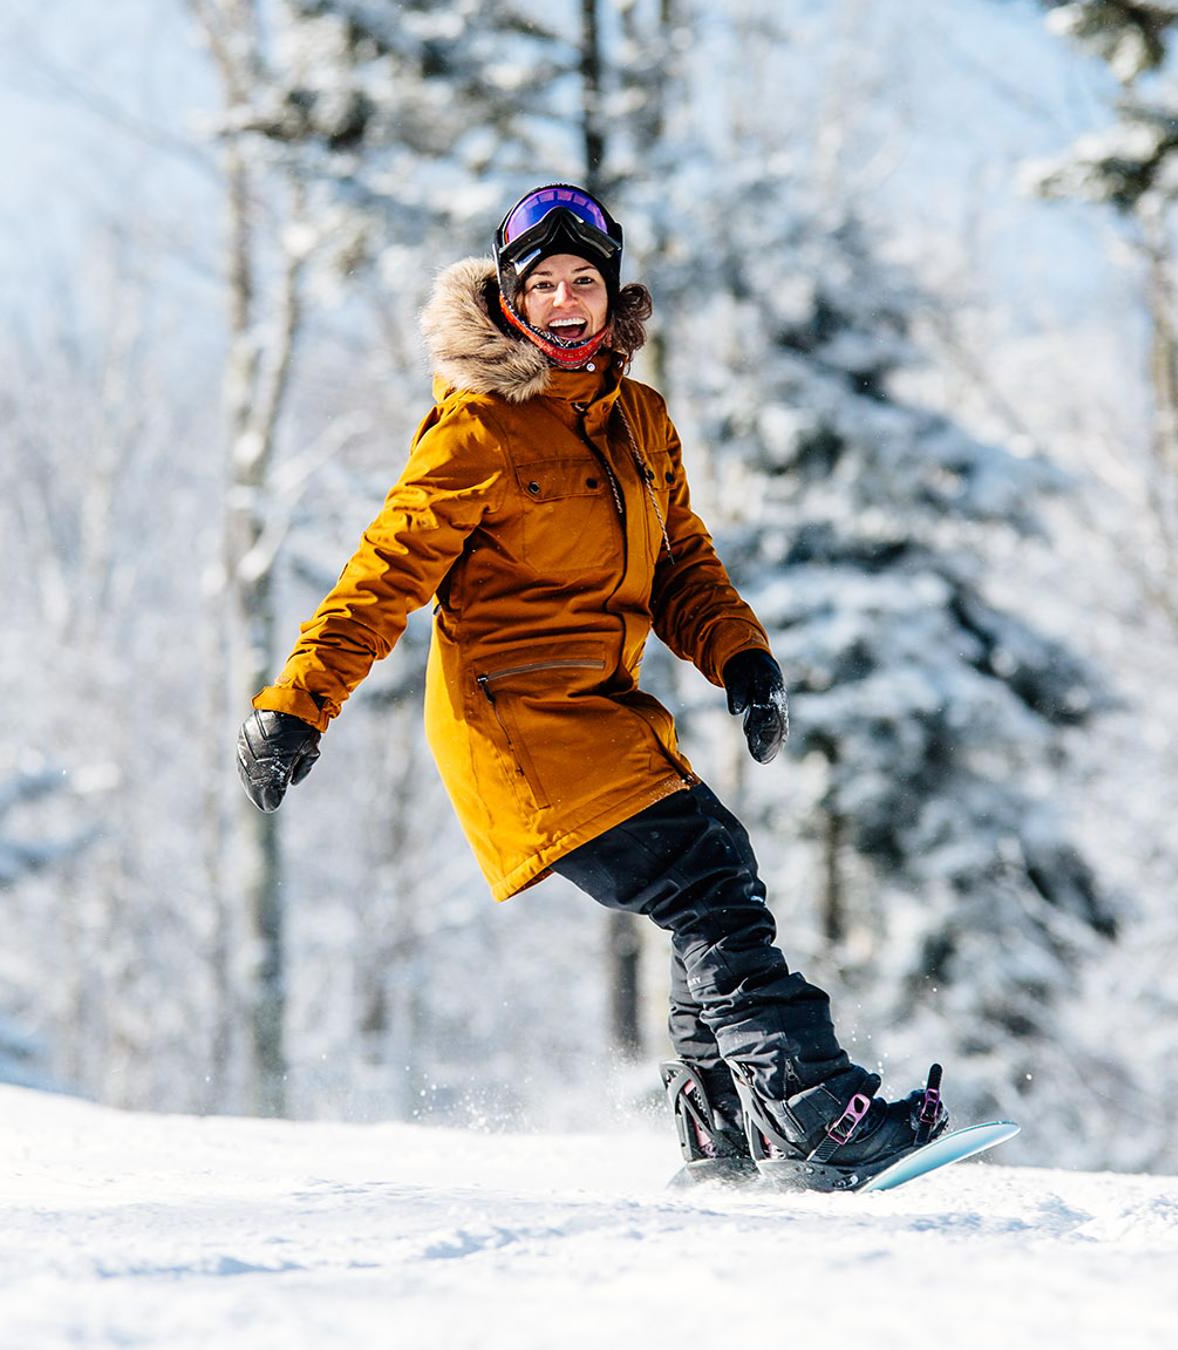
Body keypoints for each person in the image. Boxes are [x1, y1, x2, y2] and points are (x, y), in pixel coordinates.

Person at [235, 182, 945, 1189]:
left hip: (604, 714)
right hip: (520, 728)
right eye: (544, 287)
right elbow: (382, 578)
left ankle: (727, 1130)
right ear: (510, 304)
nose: (566, 304)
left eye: (584, 282)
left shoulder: (641, 420)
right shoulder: (475, 431)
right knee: (707, 886)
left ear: (613, 297)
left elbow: (681, 561)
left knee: (718, 870)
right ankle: (816, 1115)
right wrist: (295, 707)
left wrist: (742, 658)